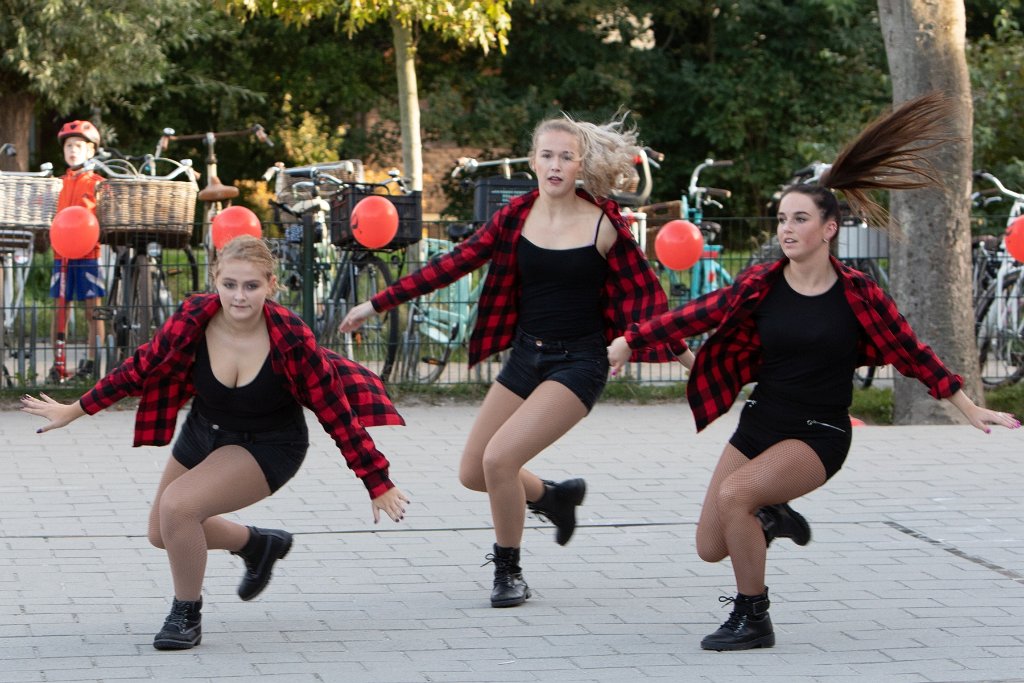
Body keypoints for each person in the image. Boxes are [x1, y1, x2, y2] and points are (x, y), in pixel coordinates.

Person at [608, 92, 1021, 651]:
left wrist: (967, 406)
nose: (787, 228)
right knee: (710, 544)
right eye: (782, 219)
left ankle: (753, 618)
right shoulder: (761, 284)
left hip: (819, 433)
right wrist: (631, 340)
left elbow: (910, 351)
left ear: (829, 229)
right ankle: (772, 515)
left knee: (736, 496)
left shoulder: (858, 294)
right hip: (760, 423)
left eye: (800, 219)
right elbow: (695, 313)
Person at [340, 113, 692, 608]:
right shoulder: (516, 216)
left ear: (580, 165)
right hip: (527, 356)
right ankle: (553, 498)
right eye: (546, 156)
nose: (555, 165)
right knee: (472, 472)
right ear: (533, 162)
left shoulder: (603, 223)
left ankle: (509, 571)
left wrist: (687, 357)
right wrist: (376, 302)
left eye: (566, 157)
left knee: (499, 460)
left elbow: (646, 300)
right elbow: (453, 263)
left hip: (580, 363)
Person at [22, 235, 410, 651]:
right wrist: (74, 410)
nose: (238, 297)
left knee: (179, 507)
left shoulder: (291, 338)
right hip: (205, 432)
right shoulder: (193, 318)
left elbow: (336, 412)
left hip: (269, 444)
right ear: (215, 280)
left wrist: (377, 480)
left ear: (270, 285)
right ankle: (259, 544)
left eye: (251, 286)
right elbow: (140, 367)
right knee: (161, 531)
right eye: (229, 285)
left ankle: (186, 613)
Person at [50, 120, 106, 379]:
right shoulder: (58, 183)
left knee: (92, 310)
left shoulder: (97, 182)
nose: (72, 150)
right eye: (69, 146)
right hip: (61, 255)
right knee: (59, 309)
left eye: (78, 146)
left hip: (88, 255)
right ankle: (57, 364)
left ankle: (93, 362)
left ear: (90, 151)